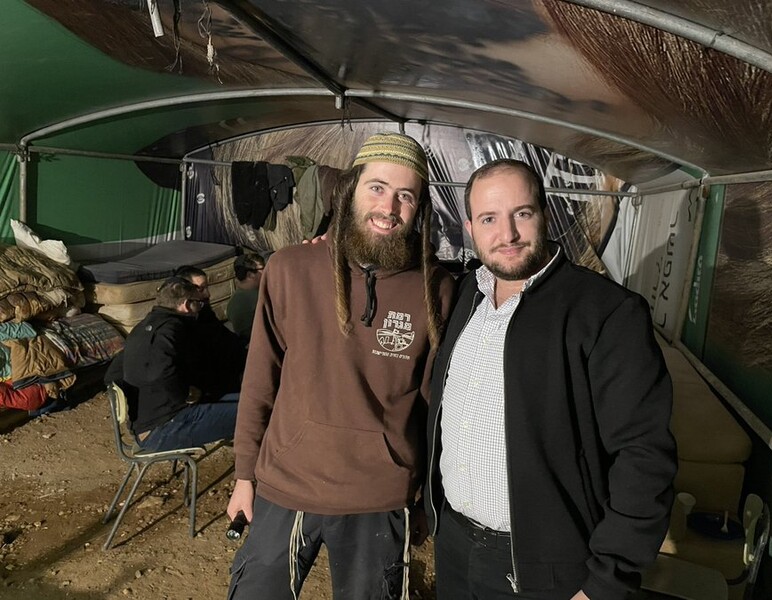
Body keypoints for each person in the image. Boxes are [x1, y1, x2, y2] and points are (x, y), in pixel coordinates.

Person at [425, 159, 677, 600]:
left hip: (544, 567)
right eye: (489, 219)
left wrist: (605, 581)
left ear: (545, 213)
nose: (507, 234)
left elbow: (644, 457)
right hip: (455, 545)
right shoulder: (468, 296)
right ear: (469, 227)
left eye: (522, 213)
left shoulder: (605, 313)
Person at [225, 132, 455, 600]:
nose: (389, 207)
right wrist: (244, 475)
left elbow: (436, 408)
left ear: (420, 209)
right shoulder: (290, 269)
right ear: (349, 191)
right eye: (377, 188)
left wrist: (428, 498)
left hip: (379, 496)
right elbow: (259, 382)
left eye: (405, 195)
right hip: (286, 485)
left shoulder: (438, 289)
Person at [104, 277, 238, 452]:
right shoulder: (172, 330)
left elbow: (112, 374)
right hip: (165, 428)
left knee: (252, 403)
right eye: (198, 303)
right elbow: (162, 373)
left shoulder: (142, 328)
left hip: (149, 425)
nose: (200, 308)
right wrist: (185, 395)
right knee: (257, 414)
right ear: (185, 304)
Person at [174, 264, 248, 396]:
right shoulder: (179, 326)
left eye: (207, 287)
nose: (207, 294)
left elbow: (226, 339)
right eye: (201, 289)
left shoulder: (204, 313)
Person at [226, 253, 267, 341]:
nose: (266, 271)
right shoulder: (258, 299)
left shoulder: (233, 301)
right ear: (250, 275)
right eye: (263, 268)